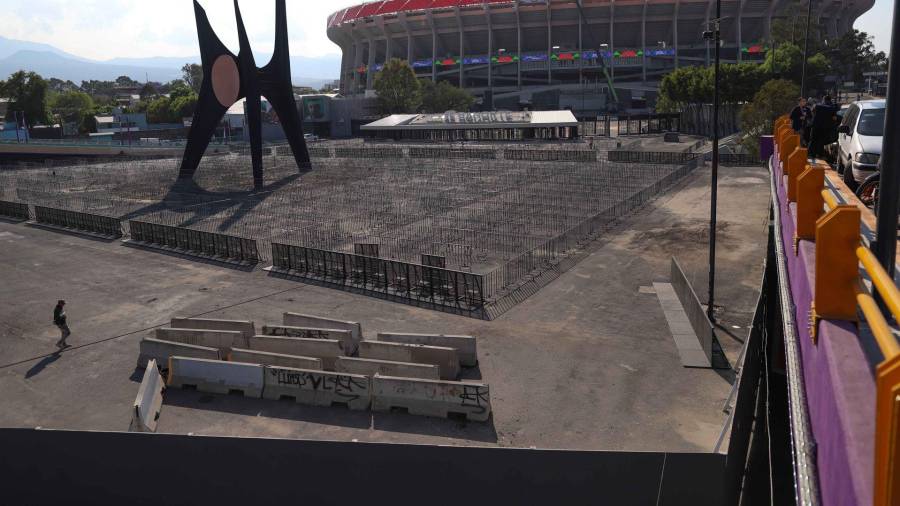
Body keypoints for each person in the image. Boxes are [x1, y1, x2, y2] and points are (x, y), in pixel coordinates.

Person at [809, 95, 838, 161]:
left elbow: (812, 112)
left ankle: (811, 154)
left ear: (823, 99)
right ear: (830, 100)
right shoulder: (832, 107)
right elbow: (834, 118)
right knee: (821, 141)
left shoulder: (817, 106)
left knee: (813, 140)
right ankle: (820, 154)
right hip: (825, 128)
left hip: (815, 126)